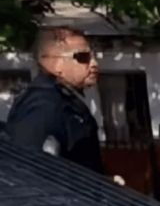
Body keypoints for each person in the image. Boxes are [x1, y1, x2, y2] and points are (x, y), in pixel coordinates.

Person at [4, 27, 105, 174]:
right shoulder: (42, 105)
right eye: (83, 57)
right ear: (56, 64)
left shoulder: (63, 99)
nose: (94, 63)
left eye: (94, 57)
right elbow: (31, 171)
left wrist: (104, 183)